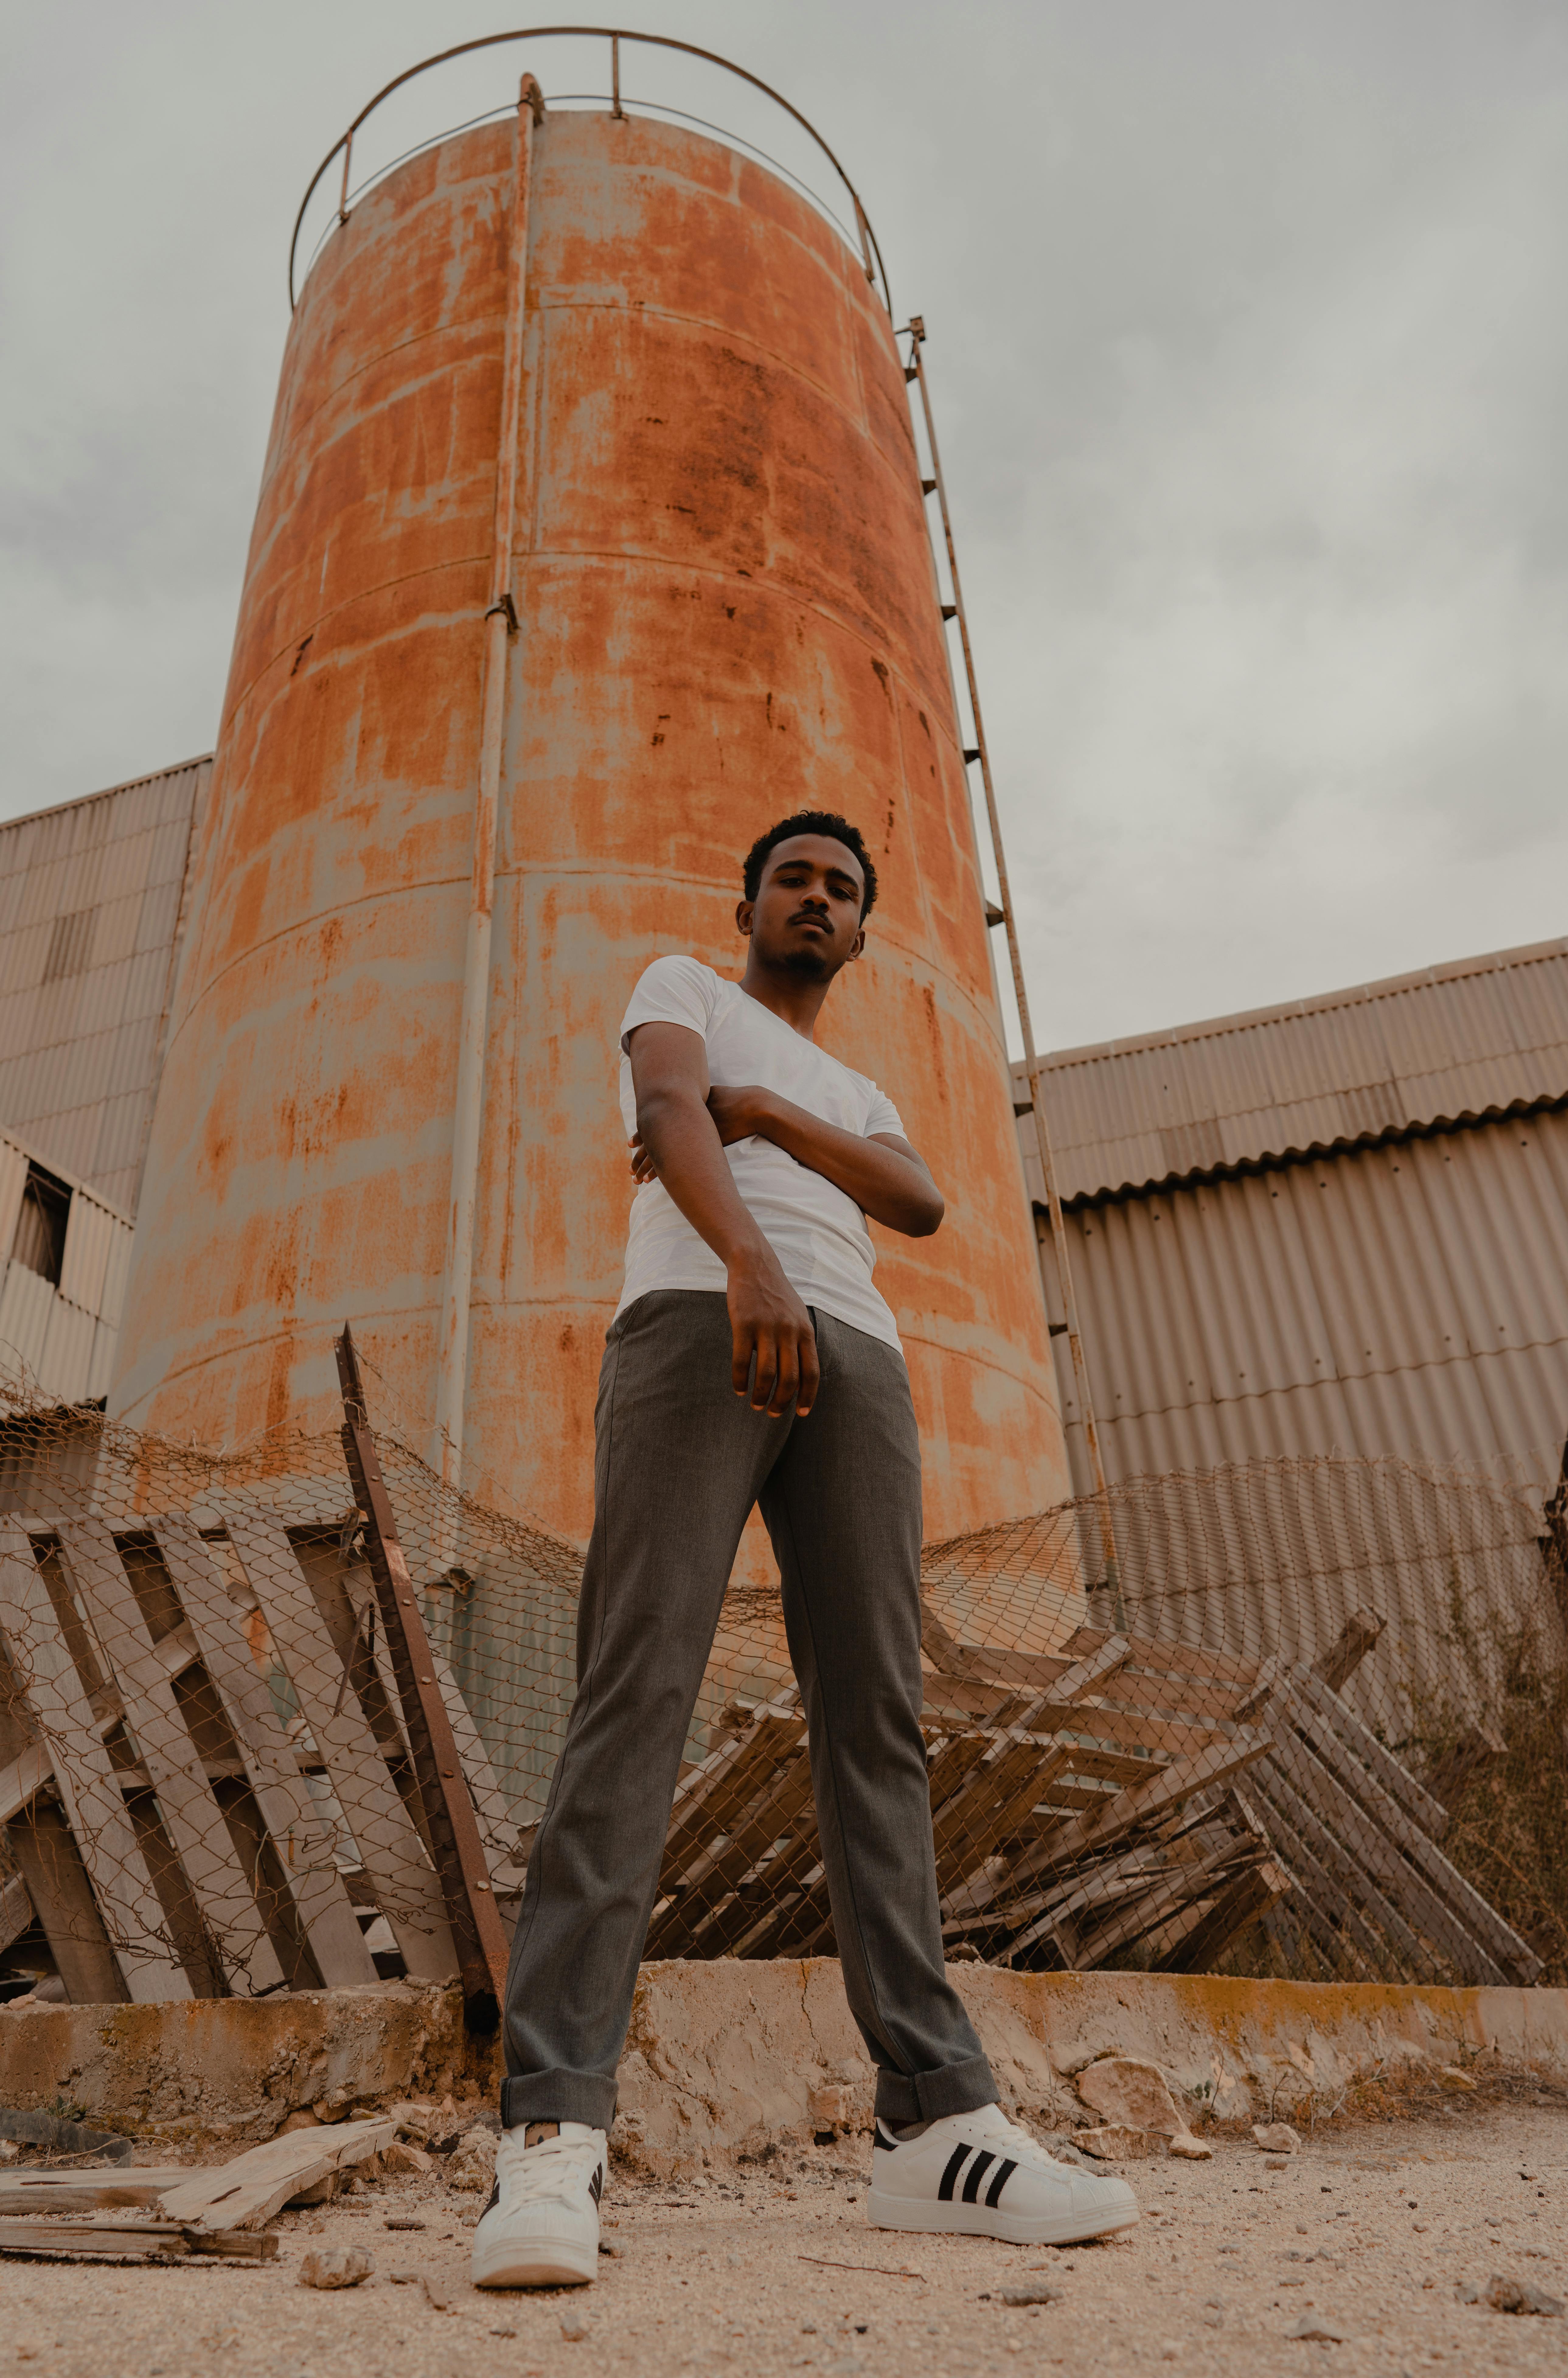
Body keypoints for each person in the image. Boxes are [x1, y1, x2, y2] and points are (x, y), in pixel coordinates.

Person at [472, 812, 1138, 2288]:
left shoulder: (856, 1088)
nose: (817, 899)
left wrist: (767, 1113)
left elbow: (918, 1198)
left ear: (861, 927)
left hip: (863, 1360)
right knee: (636, 1690)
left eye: (842, 887)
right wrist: (749, 1256)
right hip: (697, 1321)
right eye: (793, 879)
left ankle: (933, 2121)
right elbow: (667, 1106)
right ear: (749, 904)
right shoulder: (680, 989)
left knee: (877, 1720)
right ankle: (552, 2127)